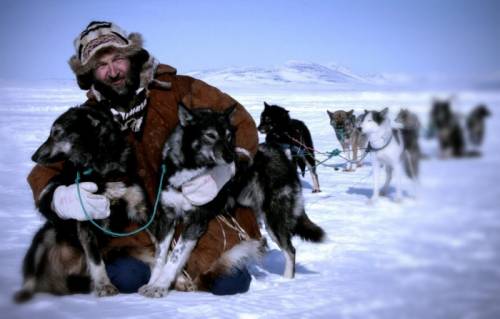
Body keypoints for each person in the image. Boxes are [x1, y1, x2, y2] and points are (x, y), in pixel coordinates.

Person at [27, 21, 261, 295]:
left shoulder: (179, 89)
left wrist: (227, 168)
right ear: (89, 73)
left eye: (117, 59)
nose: (113, 71)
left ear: (133, 57)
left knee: (230, 282)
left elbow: (241, 123)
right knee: (126, 278)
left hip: (195, 216)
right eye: (101, 65)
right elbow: (45, 170)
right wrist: (58, 198)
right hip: (135, 228)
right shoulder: (85, 117)